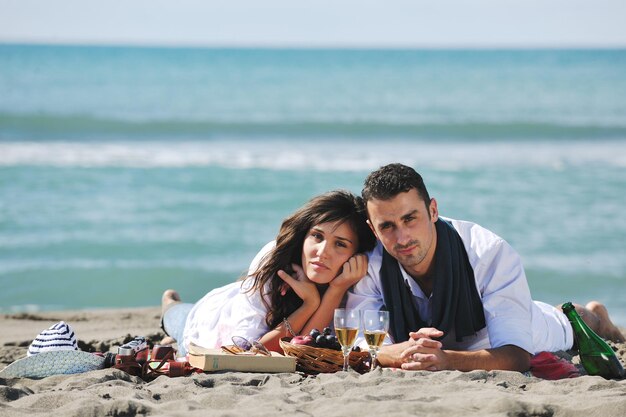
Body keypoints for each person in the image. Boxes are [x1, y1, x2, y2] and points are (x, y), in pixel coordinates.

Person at [347, 163, 624, 372]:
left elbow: (517, 355)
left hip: (522, 330)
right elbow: (362, 343)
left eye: (410, 219)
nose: (402, 237)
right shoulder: (372, 264)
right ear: (373, 228)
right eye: (387, 226)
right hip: (463, 333)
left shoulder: (487, 252)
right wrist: (402, 352)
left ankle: (599, 317)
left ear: (433, 211)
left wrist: (446, 359)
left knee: (573, 323)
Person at [160, 190, 376, 357]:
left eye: (340, 244)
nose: (322, 252)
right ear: (303, 236)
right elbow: (251, 353)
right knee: (179, 319)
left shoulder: (356, 278)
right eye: (317, 236)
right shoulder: (274, 259)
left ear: (355, 253)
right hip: (214, 322)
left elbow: (302, 346)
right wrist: (309, 304)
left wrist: (334, 291)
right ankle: (169, 303)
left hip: (249, 314)